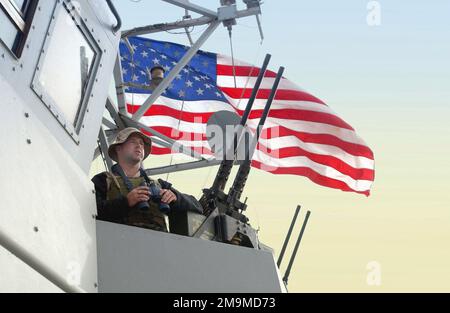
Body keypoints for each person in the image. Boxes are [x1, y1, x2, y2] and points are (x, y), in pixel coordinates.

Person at [92, 127, 203, 232]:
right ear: (118, 148)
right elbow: (91, 212)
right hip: (116, 242)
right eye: (133, 142)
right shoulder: (103, 180)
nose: (139, 146)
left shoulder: (158, 185)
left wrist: (175, 198)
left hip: (159, 245)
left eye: (141, 143)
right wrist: (126, 202)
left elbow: (198, 206)